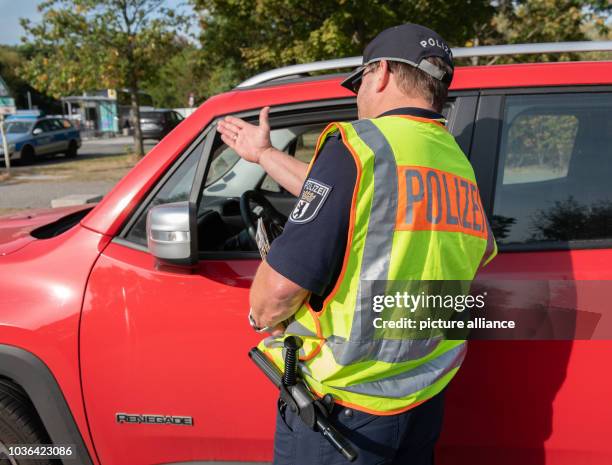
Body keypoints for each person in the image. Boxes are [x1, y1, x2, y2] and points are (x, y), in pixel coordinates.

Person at [218, 23, 497, 465]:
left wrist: (261, 316)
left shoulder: (359, 145)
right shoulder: (455, 162)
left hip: (344, 415)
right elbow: (361, 205)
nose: (358, 93)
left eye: (360, 80)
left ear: (381, 72)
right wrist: (265, 155)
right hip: (422, 398)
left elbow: (277, 295)